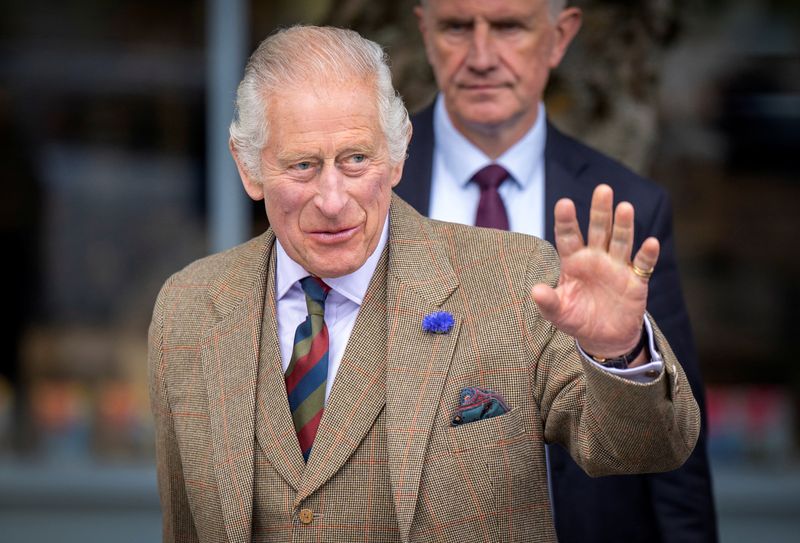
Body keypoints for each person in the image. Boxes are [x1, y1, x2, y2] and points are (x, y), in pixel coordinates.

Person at [149, 25, 700, 543]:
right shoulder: (188, 310)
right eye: (302, 167)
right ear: (248, 168)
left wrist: (617, 353)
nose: (333, 199)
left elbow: (641, 448)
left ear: (397, 154)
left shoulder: (514, 278)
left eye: (356, 159)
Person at [395, 1, 717, 541]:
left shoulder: (629, 207)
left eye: (508, 27)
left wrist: (620, 353)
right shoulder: (366, 195)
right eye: (456, 27)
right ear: (424, 31)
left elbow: (673, 442)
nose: (480, 56)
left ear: (559, 36)